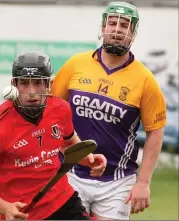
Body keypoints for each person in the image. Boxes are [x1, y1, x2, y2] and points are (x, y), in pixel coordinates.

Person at [52, 2, 167, 220]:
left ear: (132, 33)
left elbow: (155, 131)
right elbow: (52, 111)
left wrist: (143, 182)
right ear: (102, 28)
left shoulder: (145, 80)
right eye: (112, 23)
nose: (116, 30)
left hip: (118, 180)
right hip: (73, 172)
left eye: (124, 25)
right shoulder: (76, 65)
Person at [0, 51, 107, 220]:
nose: (32, 92)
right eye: (24, 83)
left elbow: (67, 144)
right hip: (22, 214)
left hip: (63, 201)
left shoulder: (61, 109)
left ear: (49, 84)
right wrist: (5, 207)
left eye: (38, 83)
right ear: (14, 85)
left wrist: (87, 157)